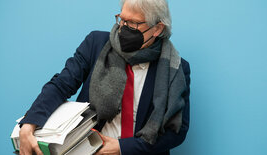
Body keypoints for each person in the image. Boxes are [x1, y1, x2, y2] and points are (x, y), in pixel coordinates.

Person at [18, 0, 191, 154]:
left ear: (157, 28)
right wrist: (30, 123)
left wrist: (122, 148)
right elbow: (61, 84)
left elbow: (176, 131)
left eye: (133, 24)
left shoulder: (175, 69)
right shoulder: (96, 44)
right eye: (122, 19)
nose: (123, 28)